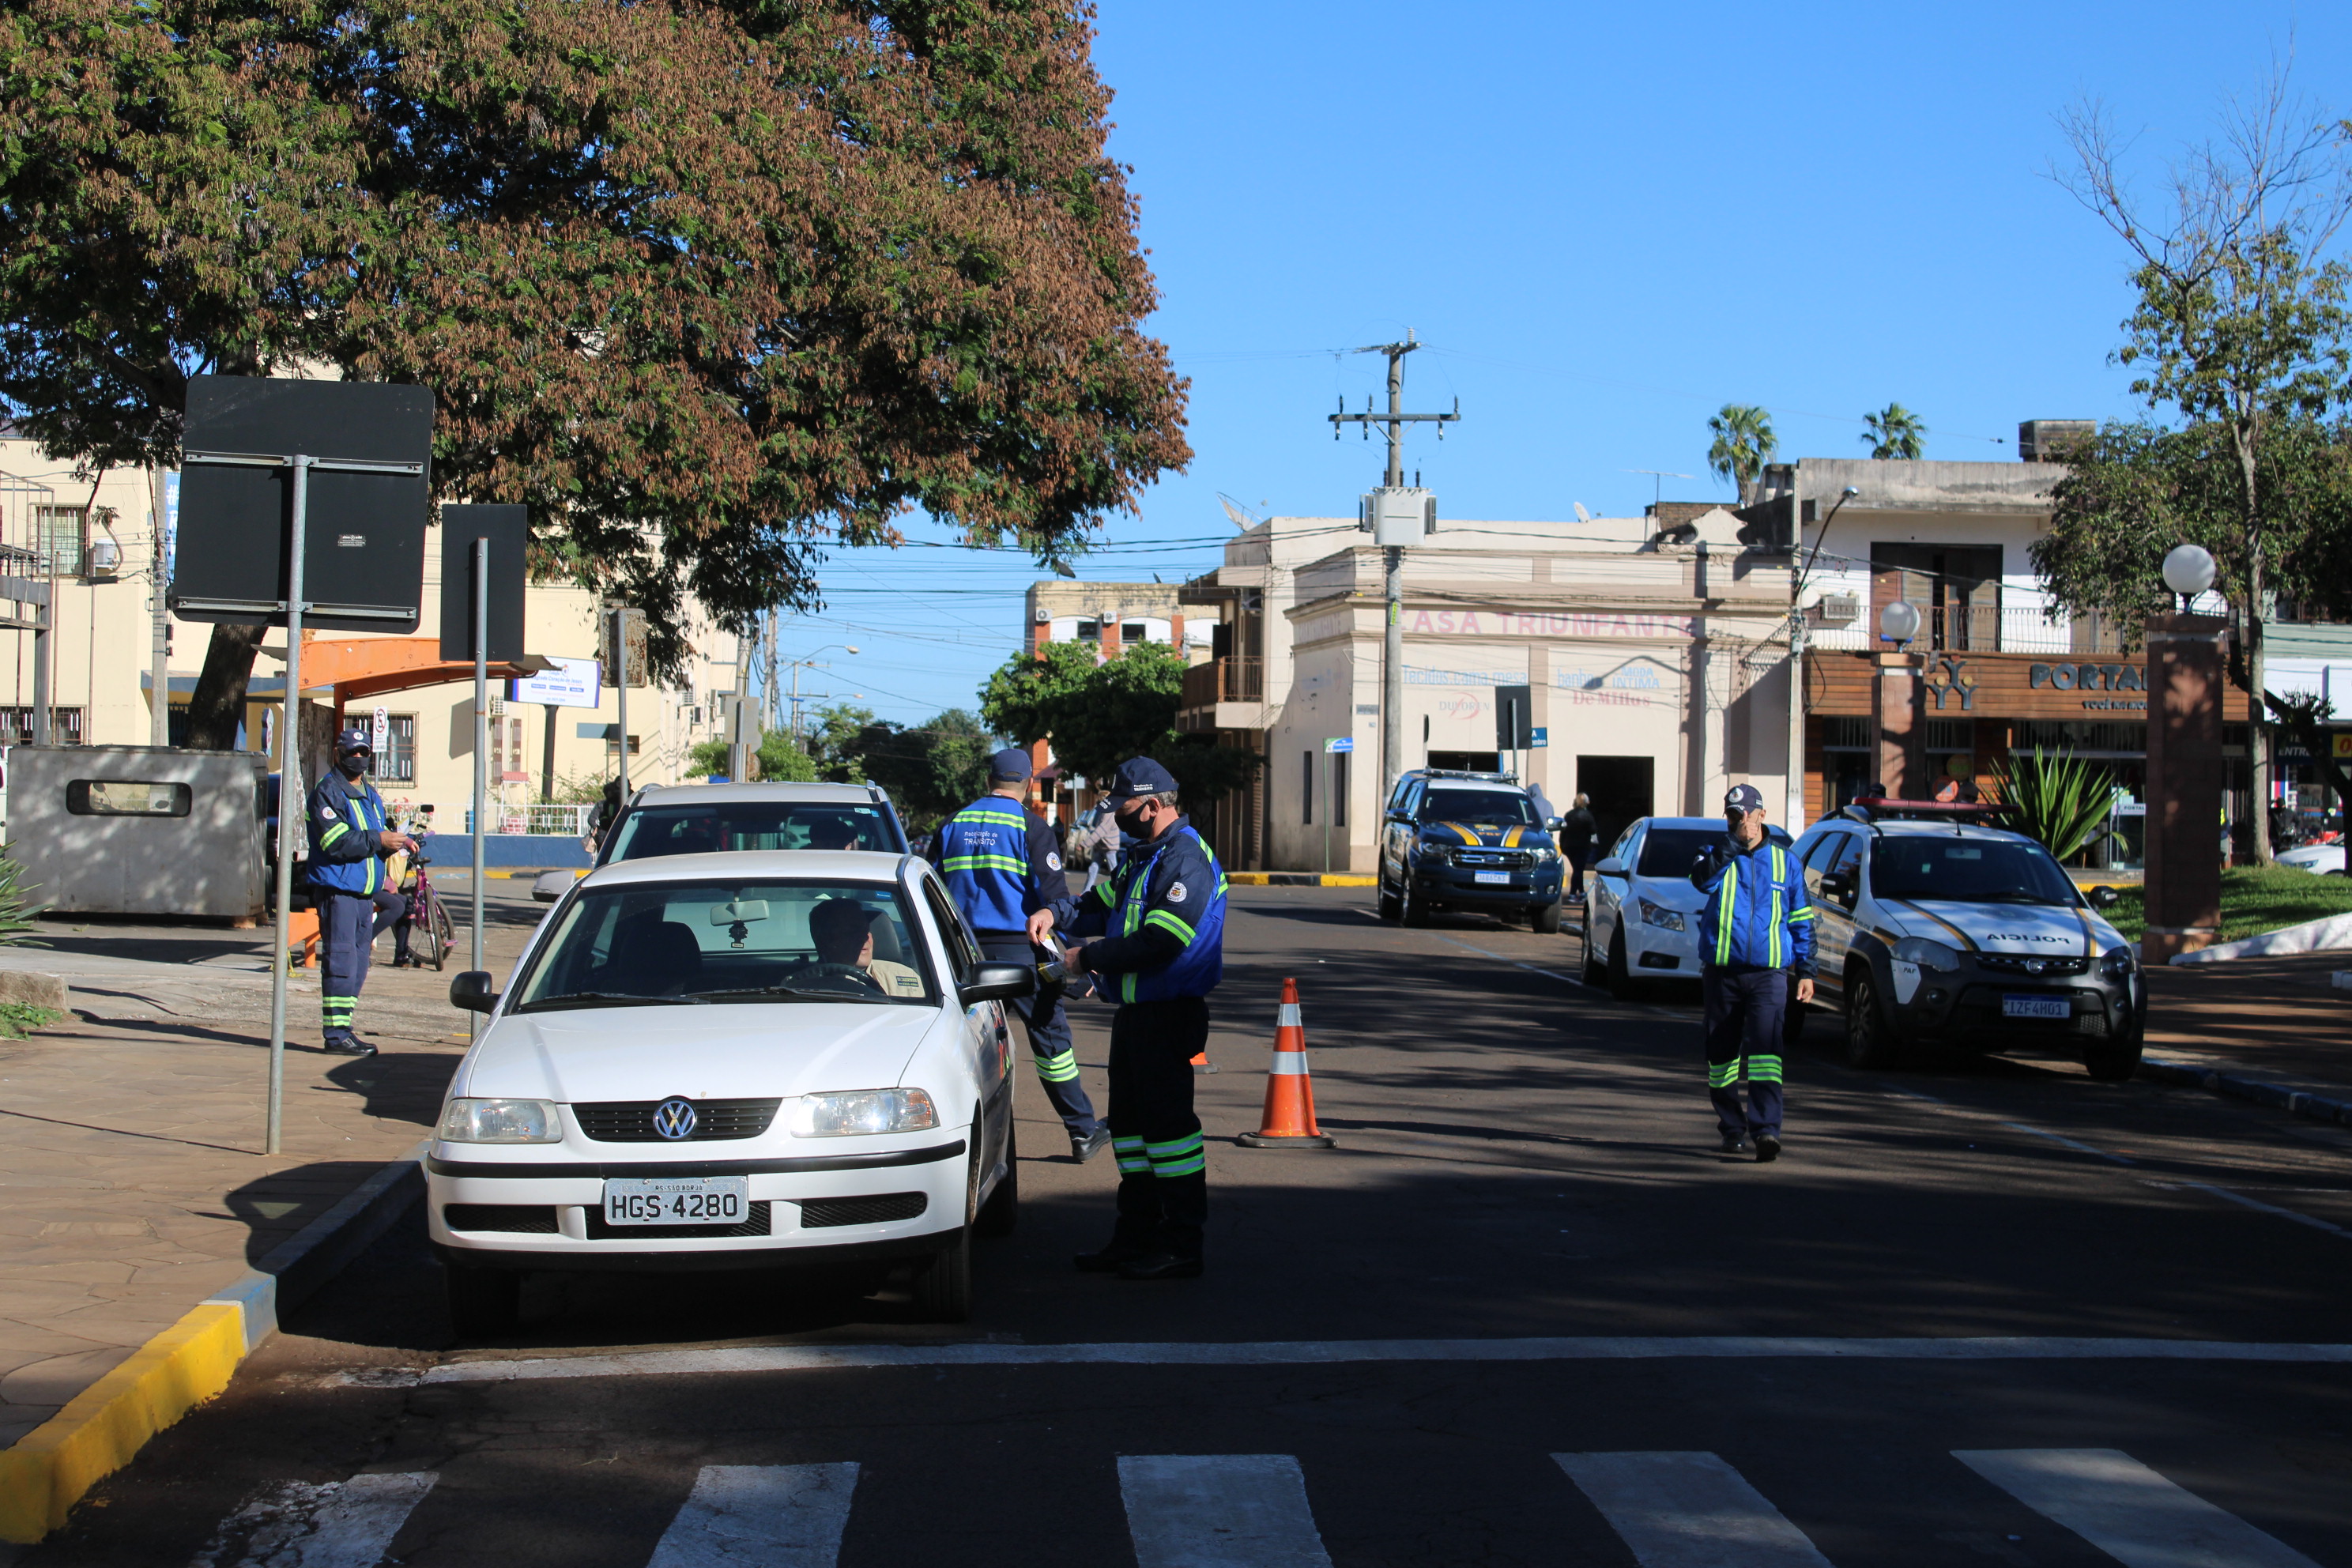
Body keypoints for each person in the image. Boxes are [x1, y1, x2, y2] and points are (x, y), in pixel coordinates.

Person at [1061, 757, 1227, 1280]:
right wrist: (1054, 914)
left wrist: (1085, 958)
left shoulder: (1186, 860)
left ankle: (1181, 1244)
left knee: (1170, 1135)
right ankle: (1134, 1237)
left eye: (1125, 810)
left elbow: (1161, 940)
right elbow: (1095, 906)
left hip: (1168, 1015)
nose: (1117, 820)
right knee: (1131, 1134)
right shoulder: (1143, 857)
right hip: (1134, 1017)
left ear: (1154, 806)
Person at [932, 749, 1110, 1162]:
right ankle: (1082, 1131)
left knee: (964, 1044)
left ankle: (954, 1140)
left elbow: (932, 890)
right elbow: (1054, 902)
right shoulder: (1031, 827)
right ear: (1028, 784)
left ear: (987, 779)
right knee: (1051, 1041)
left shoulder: (952, 824)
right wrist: (1078, 958)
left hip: (965, 956)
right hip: (1022, 954)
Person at [1687, 782, 1815, 1163]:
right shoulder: (1714, 853)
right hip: (1723, 973)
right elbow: (1701, 881)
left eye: (1743, 815)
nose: (1738, 821)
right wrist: (1732, 845)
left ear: (1762, 815)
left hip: (1769, 974)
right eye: (1731, 815)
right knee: (1721, 1057)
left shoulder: (1786, 862)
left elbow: (1802, 919)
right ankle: (1731, 1127)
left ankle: (1766, 1131)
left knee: (1766, 1052)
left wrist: (1806, 968)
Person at [307, 730, 416, 1055]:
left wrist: (394, 845)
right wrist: (380, 840)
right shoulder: (328, 792)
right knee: (341, 961)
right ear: (339, 753)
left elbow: (373, 840)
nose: (359, 756)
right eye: (352, 750)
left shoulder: (370, 794)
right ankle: (336, 1036)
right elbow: (336, 843)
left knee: (358, 962)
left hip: (363, 892)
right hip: (338, 891)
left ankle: (345, 1027)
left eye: (364, 750)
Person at [783, 898, 924, 997]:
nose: (864, 937)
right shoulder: (799, 988)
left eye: (865, 929)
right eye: (851, 931)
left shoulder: (905, 977)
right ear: (824, 939)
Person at [1559, 793, 1599, 903]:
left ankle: (1581, 892)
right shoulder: (1587, 815)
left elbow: (1563, 831)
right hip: (1582, 846)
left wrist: (1562, 845)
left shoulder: (1568, 815)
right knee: (1578, 870)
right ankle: (1572, 893)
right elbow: (1593, 830)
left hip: (1569, 846)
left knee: (1578, 869)